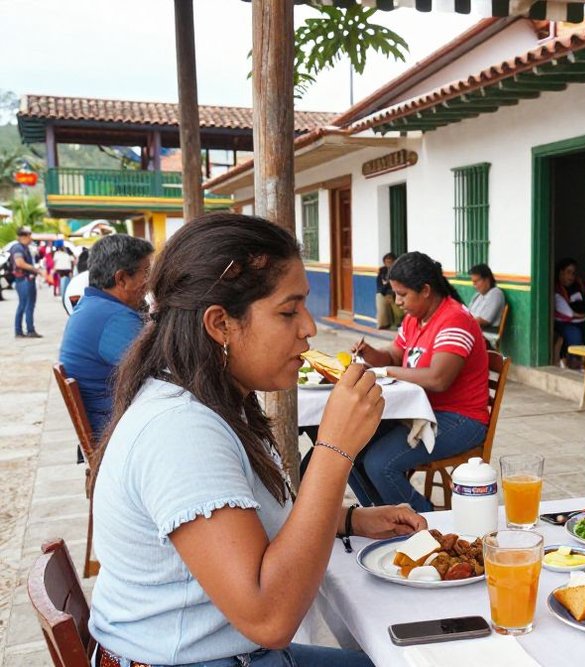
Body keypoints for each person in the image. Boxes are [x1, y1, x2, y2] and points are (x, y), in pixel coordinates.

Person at [88, 213, 425, 667]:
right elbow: (270, 618)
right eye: (289, 311)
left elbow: (245, 526)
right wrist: (335, 449)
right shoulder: (180, 432)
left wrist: (348, 519)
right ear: (220, 324)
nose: (309, 328)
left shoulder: (217, 399)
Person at [349, 251, 489, 512]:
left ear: (425, 290)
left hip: (460, 418)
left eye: (402, 294)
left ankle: (423, 518)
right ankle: (382, 515)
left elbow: (438, 379)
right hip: (420, 411)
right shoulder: (415, 319)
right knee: (349, 451)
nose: (397, 301)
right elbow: (393, 354)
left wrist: (388, 371)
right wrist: (371, 354)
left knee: (380, 464)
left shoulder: (455, 320)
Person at [59, 234, 154, 443]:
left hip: (107, 424)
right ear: (121, 279)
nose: (149, 282)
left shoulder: (92, 305)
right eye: (146, 273)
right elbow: (163, 368)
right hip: (115, 434)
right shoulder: (114, 318)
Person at [554, 257, 585, 368]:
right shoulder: (557, 290)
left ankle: (584, 363)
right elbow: (570, 313)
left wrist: (582, 287)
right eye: (568, 272)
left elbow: (584, 304)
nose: (571, 276)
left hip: (581, 321)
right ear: (561, 273)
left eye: (573, 273)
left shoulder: (576, 287)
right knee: (575, 335)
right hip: (564, 323)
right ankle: (573, 362)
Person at [10, 227, 43, 338]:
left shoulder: (24, 248)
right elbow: (19, 263)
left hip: (25, 279)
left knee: (25, 304)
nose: (31, 238)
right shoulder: (18, 248)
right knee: (26, 305)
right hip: (24, 280)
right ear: (23, 236)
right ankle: (28, 330)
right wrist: (36, 270)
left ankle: (20, 331)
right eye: (29, 236)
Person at [468, 263, 506, 347]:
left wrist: (463, 322)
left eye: (476, 281)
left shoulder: (495, 293)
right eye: (473, 282)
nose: (474, 285)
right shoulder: (478, 295)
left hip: (486, 337)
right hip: (473, 333)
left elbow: (483, 321)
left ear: (487, 280)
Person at [375, 252, 403, 329]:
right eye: (386, 261)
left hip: (394, 292)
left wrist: (387, 284)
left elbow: (396, 284)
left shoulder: (398, 271)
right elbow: (380, 284)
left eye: (390, 261)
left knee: (397, 306)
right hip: (383, 292)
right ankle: (383, 324)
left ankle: (398, 323)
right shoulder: (382, 271)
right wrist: (385, 287)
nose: (388, 263)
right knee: (379, 296)